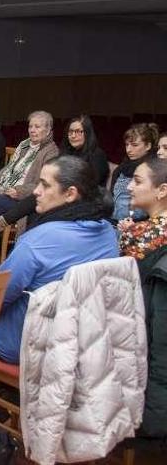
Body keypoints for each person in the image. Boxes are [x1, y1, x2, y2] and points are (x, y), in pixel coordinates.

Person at [0, 156, 118, 365]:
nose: (36, 191)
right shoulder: (108, 232)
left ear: (70, 194)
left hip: (21, 344)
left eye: (45, 185)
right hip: (77, 342)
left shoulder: (38, 240)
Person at [0, 114, 111, 237]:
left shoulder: (97, 156)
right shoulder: (66, 153)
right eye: (70, 132)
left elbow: (90, 188)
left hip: (81, 202)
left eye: (78, 131)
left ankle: (2, 225)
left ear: (87, 133)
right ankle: (8, 232)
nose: (73, 135)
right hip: (60, 196)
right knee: (36, 202)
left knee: (36, 203)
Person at [120, 157, 167, 438]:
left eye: (137, 182)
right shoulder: (142, 233)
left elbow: (162, 338)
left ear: (162, 190)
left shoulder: (152, 242)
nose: (128, 188)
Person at [0, 111, 59, 254]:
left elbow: (43, 184)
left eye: (37, 127)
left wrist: (19, 191)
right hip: (5, 189)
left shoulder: (51, 152)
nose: (32, 130)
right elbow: (8, 169)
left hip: (24, 197)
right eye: (30, 126)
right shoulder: (24, 145)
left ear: (48, 130)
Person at [110, 123, 159, 222]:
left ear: (148, 146)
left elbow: (147, 207)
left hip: (137, 224)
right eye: (127, 145)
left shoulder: (152, 169)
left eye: (134, 145)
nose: (128, 149)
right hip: (115, 221)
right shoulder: (121, 168)